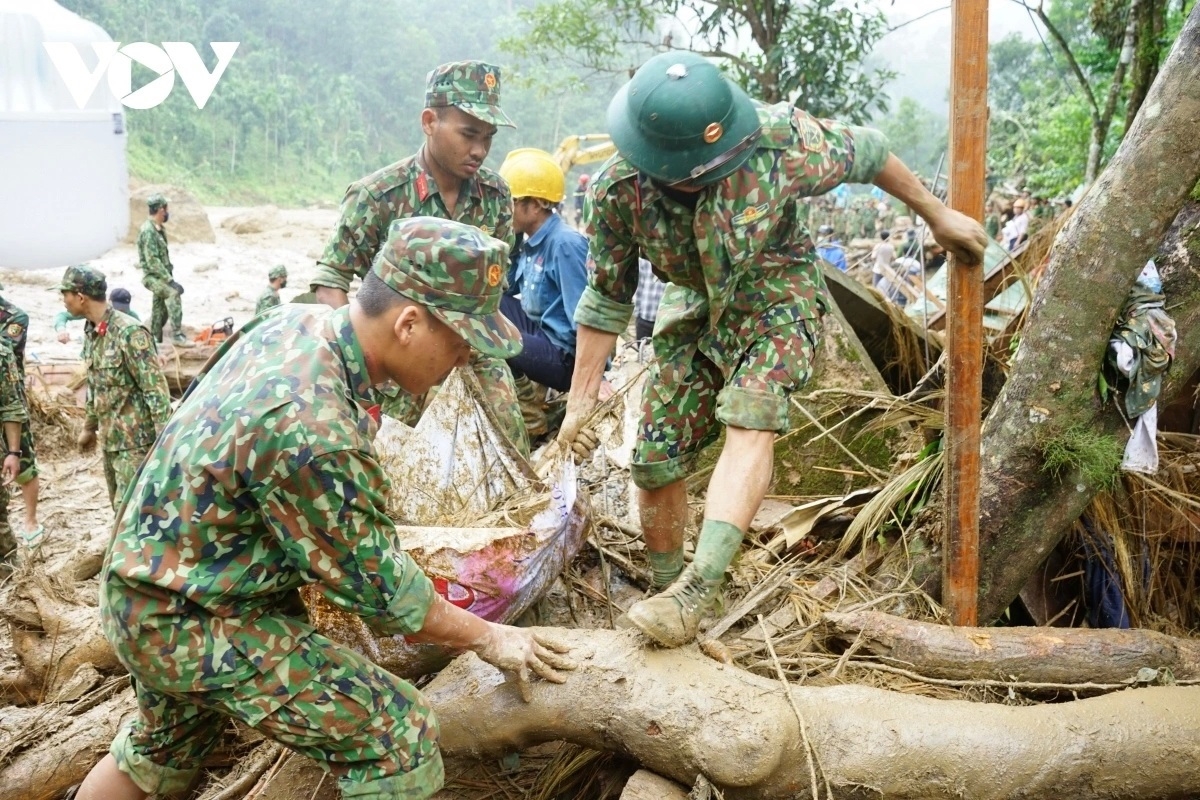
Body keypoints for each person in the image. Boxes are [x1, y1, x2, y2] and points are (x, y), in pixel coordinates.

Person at [73, 217, 574, 800]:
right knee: (395, 731)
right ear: (409, 323)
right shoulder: (317, 426)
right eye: (461, 341)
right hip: (195, 617)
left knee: (160, 752)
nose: (464, 359)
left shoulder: (296, 325)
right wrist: (489, 636)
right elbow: (383, 592)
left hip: (149, 588)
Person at [559, 52, 987, 647]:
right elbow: (606, 298)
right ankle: (669, 587)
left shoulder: (779, 143)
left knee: (751, 411)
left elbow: (871, 151)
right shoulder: (618, 192)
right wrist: (581, 400)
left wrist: (938, 215)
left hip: (777, 298)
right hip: (696, 311)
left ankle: (697, 590)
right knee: (655, 455)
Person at [308, 60, 528, 453]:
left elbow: (495, 293)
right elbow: (331, 281)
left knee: (505, 442)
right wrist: (354, 370)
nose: (479, 150)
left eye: (489, 137)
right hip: (398, 348)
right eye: (468, 134)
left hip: (468, 346)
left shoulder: (495, 197)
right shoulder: (379, 194)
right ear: (430, 121)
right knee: (377, 456)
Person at [56, 265, 172, 510]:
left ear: (80, 296)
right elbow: (97, 385)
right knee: (118, 509)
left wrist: (165, 444)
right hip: (111, 441)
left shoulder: (129, 332)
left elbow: (155, 389)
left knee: (132, 514)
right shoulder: (92, 330)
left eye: (65, 294)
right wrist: (89, 427)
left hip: (137, 443)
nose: (63, 301)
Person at [498, 148, 589, 438]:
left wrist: (592, 377)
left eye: (513, 202)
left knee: (490, 335)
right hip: (541, 336)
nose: (506, 209)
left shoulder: (565, 244)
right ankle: (527, 398)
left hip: (563, 357)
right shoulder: (529, 242)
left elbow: (584, 314)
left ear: (535, 205)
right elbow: (506, 289)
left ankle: (530, 413)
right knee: (483, 306)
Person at [0, 282, 40, 540]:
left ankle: (31, 519)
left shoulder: (15, 316)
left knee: (22, 459)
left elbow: (6, 349)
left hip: (9, 395)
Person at [137, 193, 192, 348]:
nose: (167, 212)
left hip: (161, 276)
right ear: (161, 210)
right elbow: (152, 260)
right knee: (172, 293)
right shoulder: (149, 231)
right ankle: (177, 335)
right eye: (166, 208)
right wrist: (170, 281)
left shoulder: (158, 229)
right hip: (153, 277)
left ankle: (154, 339)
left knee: (159, 307)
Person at [56, 287, 139, 343]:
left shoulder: (132, 318)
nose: (120, 312)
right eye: (117, 308)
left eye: (123, 309)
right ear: (109, 301)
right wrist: (61, 330)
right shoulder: (98, 313)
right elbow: (62, 316)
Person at [633, 257, 666, 342]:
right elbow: (638, 286)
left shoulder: (671, 259)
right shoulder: (644, 259)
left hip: (664, 322)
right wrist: (637, 313)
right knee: (643, 352)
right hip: (644, 317)